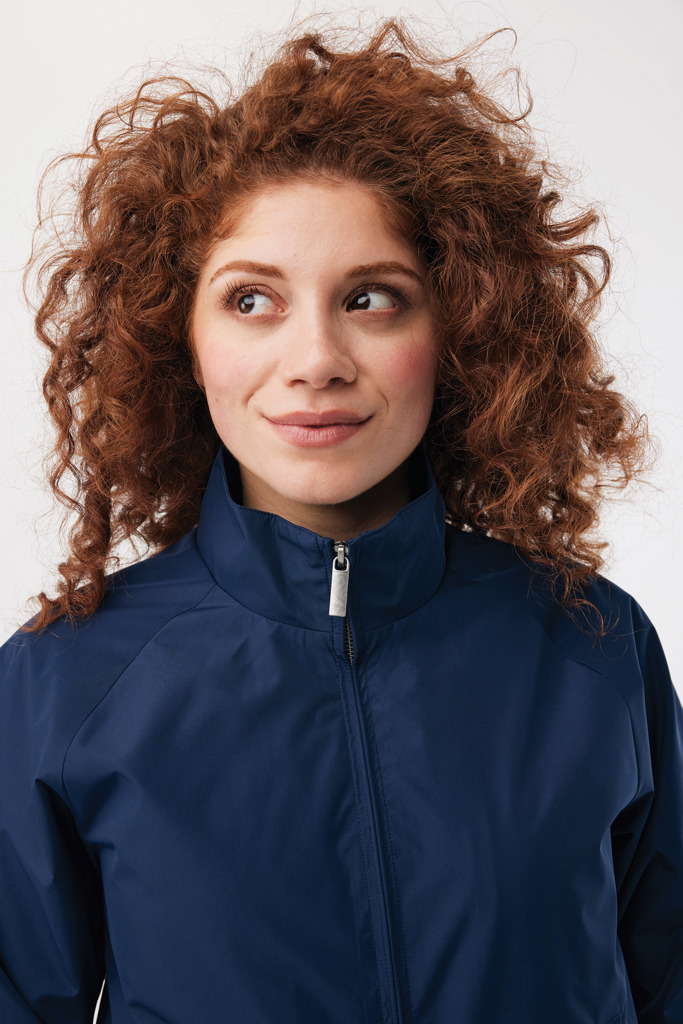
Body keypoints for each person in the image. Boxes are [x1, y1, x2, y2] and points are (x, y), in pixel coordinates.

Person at [0, 16, 680, 1024]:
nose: (315, 359)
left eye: (371, 298)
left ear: (460, 327)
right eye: (250, 301)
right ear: (178, 336)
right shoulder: (64, 683)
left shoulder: (591, 645)